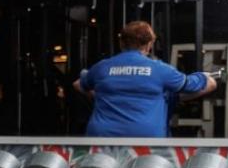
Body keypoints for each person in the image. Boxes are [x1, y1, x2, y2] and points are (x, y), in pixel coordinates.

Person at [73, 20, 217, 137]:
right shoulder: (160, 69)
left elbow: (78, 84)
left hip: (103, 137)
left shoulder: (102, 67)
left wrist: (99, 96)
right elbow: (192, 85)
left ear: (121, 43)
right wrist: (204, 76)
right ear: (149, 45)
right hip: (145, 140)